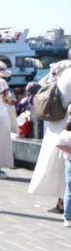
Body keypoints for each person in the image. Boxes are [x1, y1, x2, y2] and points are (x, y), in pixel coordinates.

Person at [29, 54, 71, 213]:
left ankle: (62, 201)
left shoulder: (60, 70)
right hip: (66, 124)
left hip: (55, 122)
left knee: (61, 162)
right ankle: (64, 202)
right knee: (65, 163)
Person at [55, 119, 71, 227]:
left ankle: (67, 216)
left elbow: (58, 143)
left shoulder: (66, 132)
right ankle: (67, 216)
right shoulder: (67, 133)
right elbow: (58, 144)